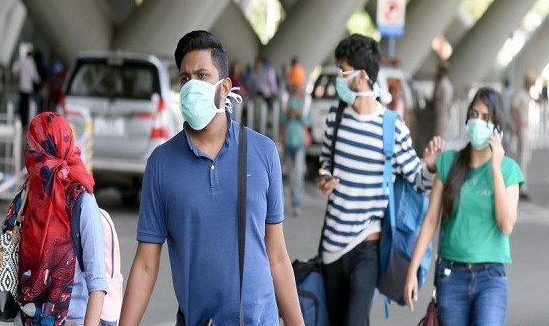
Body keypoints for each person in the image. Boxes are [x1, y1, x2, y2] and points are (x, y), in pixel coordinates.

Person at [119, 30, 303, 326]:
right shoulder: (161, 164)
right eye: (185, 78)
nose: (192, 86)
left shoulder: (263, 152)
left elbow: (278, 257)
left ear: (224, 87)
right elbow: (145, 265)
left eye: (202, 75)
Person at [316, 34, 444, 326]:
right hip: (332, 243)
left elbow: (419, 181)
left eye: (343, 71)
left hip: (368, 244)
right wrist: (324, 178)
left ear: (362, 76)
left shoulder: (391, 127)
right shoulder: (336, 116)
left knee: (356, 321)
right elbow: (325, 162)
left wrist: (430, 167)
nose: (339, 77)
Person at [0, 112, 106, 326]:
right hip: (25, 318)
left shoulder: (81, 202)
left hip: (68, 320)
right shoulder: (29, 195)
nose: (27, 155)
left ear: (47, 151)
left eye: (32, 148)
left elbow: (97, 283)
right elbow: (3, 253)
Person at [404, 86, 524, 326]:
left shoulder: (508, 170)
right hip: (451, 276)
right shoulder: (449, 162)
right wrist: (412, 272)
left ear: (497, 128)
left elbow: (506, 224)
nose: (478, 122)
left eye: (486, 118)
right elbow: (430, 220)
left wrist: (495, 168)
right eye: (474, 115)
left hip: (490, 279)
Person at [280, 61, 310, 217]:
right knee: (290, 174)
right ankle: (290, 200)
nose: (297, 88)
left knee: (298, 174)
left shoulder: (306, 100)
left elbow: (307, 120)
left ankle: (296, 203)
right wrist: (290, 114)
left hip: (299, 142)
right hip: (287, 140)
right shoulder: (286, 98)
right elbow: (282, 118)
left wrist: (298, 114)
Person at [511, 72, 535, 200]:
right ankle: (521, 187)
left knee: (525, 157)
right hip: (522, 128)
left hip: (525, 127)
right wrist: (517, 122)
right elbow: (513, 107)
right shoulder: (521, 94)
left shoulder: (526, 94)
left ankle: (522, 185)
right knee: (523, 157)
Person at [12, 51, 40, 126]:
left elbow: (14, 68)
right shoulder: (32, 64)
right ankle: (24, 121)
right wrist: (39, 81)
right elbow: (35, 77)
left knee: (21, 104)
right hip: (28, 89)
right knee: (26, 105)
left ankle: (20, 120)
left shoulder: (22, 61)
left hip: (21, 87)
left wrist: (18, 75)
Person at [432, 62, 454, 139]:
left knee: (439, 138)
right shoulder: (447, 83)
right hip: (445, 114)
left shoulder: (442, 84)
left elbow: (435, 97)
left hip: (441, 115)